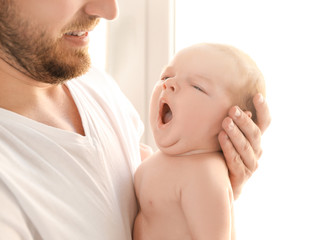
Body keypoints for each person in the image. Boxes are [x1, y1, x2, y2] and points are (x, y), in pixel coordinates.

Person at [0, 1, 271, 239]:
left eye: (198, 87)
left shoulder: (97, 86)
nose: (109, 10)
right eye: (166, 77)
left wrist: (218, 192)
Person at [133, 43, 266, 240]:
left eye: (197, 86)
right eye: (166, 76)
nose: (169, 84)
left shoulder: (205, 176)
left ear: (235, 122)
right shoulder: (162, 160)